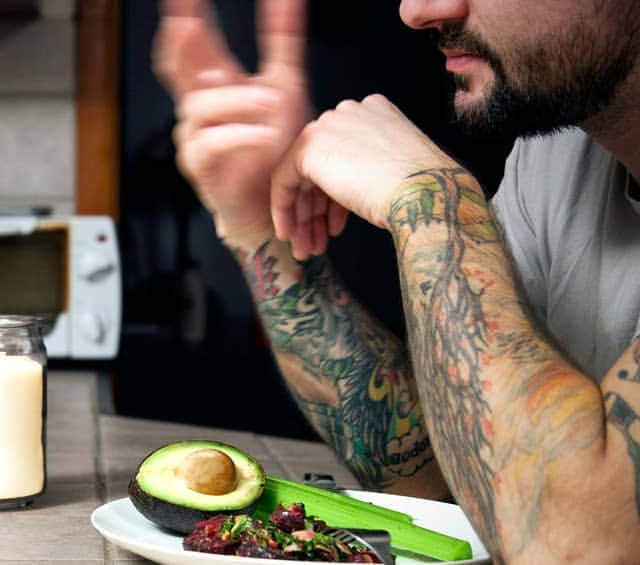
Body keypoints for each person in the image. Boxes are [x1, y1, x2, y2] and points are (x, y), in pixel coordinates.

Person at [154, 0, 640, 562]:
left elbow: (576, 547)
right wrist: (259, 229)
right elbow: (457, 478)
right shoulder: (560, 158)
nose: (417, 10)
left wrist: (433, 203)